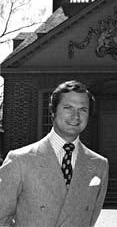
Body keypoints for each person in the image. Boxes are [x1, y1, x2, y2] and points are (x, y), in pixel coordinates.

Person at [0, 80, 109, 226]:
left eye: (83, 109)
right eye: (68, 107)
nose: (75, 116)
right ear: (53, 111)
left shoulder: (99, 165)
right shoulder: (19, 160)